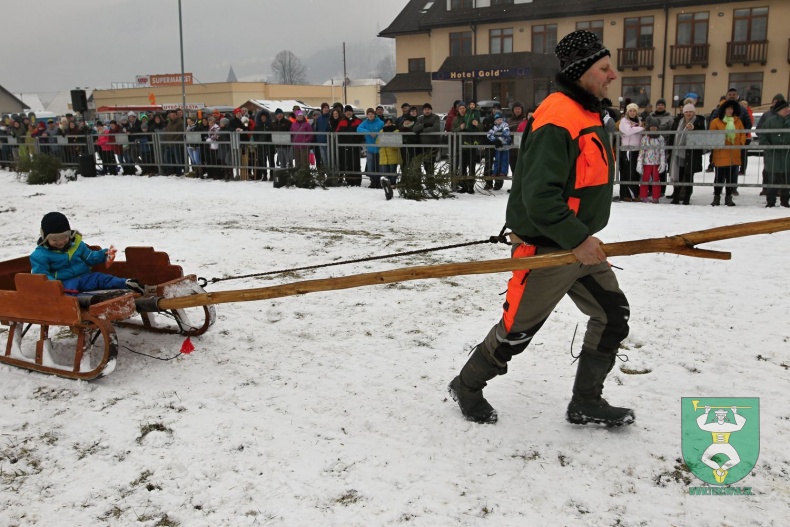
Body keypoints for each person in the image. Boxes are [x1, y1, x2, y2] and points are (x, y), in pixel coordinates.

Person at [448, 30, 633, 427]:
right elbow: (539, 198)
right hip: (549, 248)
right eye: (605, 68)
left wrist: (581, 240)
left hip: (578, 245)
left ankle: (586, 402)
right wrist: (578, 239)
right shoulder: (558, 117)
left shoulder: (586, 112)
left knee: (612, 315)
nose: (613, 75)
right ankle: (466, 385)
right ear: (582, 71)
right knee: (516, 333)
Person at [30, 212, 145, 296]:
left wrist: (103, 254)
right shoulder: (40, 255)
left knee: (100, 278)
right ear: (45, 238)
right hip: (64, 283)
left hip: (84, 277)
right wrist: (56, 285)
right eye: (54, 240)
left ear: (69, 234)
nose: (60, 242)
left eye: (64, 237)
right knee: (69, 292)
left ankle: (126, 283)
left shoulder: (77, 245)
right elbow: (42, 275)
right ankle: (86, 301)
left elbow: (89, 257)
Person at [708, 99, 746, 206]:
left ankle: (728, 198)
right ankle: (716, 197)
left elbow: (743, 134)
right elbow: (712, 136)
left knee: (730, 178)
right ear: (723, 110)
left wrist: (741, 143)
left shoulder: (738, 121)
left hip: (733, 154)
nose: (730, 111)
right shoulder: (715, 122)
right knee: (719, 178)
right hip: (720, 154)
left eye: (731, 109)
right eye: (728, 109)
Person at [668, 103, 706, 205]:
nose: (688, 114)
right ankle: (676, 197)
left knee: (689, 176)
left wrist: (693, 128)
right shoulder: (678, 122)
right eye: (686, 112)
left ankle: (686, 198)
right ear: (683, 112)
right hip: (678, 153)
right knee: (678, 176)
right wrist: (670, 150)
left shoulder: (699, 121)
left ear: (694, 112)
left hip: (692, 154)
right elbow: (673, 136)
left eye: (691, 112)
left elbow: (702, 135)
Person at [759, 99, 790, 208]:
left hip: (787, 156)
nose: (787, 109)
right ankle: (771, 201)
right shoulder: (770, 122)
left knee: (787, 180)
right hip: (773, 156)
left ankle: (785, 201)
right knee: (772, 180)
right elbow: (763, 136)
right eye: (785, 108)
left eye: (788, 107)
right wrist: (769, 146)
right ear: (778, 110)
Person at [636, 116, 666, 203]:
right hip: (647, 163)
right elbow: (642, 151)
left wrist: (662, 162)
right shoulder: (645, 138)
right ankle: (643, 196)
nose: (653, 128)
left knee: (656, 180)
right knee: (645, 179)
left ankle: (656, 197)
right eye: (652, 126)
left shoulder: (661, 138)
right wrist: (639, 162)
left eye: (655, 126)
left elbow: (662, 151)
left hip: (656, 163)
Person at [452, 101, 480, 194]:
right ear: (458, 109)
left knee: (471, 167)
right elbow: (453, 131)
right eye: (460, 108)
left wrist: (477, 124)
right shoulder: (456, 119)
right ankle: (464, 186)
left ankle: (471, 186)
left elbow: (481, 128)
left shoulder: (471, 116)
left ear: (466, 108)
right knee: (462, 167)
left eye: (463, 108)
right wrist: (460, 128)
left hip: (471, 146)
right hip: (461, 147)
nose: (462, 110)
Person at [618, 103, 644, 201]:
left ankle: (634, 193)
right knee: (628, 172)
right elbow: (628, 131)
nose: (632, 113)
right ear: (627, 112)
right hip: (627, 150)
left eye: (634, 111)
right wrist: (641, 128)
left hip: (636, 149)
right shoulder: (624, 121)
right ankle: (627, 194)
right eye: (630, 111)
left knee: (634, 172)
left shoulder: (639, 121)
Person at [650, 98, 674, 197]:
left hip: (664, 145)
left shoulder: (669, 118)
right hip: (651, 146)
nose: (660, 106)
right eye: (658, 105)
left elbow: (671, 131)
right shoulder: (651, 116)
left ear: (664, 106)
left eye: (662, 105)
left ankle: (662, 189)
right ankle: (651, 188)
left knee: (662, 167)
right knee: (651, 167)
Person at [335, 105, 363, 185]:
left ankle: (357, 181)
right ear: (344, 113)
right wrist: (341, 141)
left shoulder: (358, 121)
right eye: (347, 111)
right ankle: (349, 180)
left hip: (355, 146)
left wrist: (357, 140)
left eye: (350, 111)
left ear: (352, 112)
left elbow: (361, 133)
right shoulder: (342, 122)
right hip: (345, 146)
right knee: (347, 163)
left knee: (356, 163)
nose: (348, 113)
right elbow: (337, 132)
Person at [357, 108, 385, 188]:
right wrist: (369, 132)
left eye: (372, 114)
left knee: (378, 166)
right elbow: (358, 129)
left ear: (374, 114)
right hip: (370, 148)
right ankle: (372, 181)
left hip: (379, 148)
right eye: (368, 114)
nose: (370, 115)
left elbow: (384, 131)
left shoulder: (380, 123)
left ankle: (378, 181)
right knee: (370, 166)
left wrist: (377, 134)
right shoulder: (365, 123)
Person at [412, 102, 441, 176]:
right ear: (423, 111)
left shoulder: (435, 117)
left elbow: (436, 128)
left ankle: (431, 180)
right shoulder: (420, 118)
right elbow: (414, 129)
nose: (427, 111)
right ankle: (428, 179)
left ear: (431, 110)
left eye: (428, 109)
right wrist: (424, 125)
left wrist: (422, 130)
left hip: (433, 145)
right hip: (423, 146)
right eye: (425, 109)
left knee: (430, 164)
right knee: (425, 164)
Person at [485, 112, 511, 190]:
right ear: (495, 121)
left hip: (505, 146)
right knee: (497, 160)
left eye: (500, 119)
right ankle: (495, 172)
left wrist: (500, 138)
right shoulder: (494, 127)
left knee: (504, 160)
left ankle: (503, 172)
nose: (499, 121)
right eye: (497, 120)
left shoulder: (505, 125)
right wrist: (495, 140)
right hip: (498, 147)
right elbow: (489, 134)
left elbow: (506, 133)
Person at [378, 117, 401, 186]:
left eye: (389, 123)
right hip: (383, 154)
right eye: (386, 123)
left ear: (392, 123)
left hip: (392, 155)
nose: (388, 124)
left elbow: (397, 144)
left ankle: (393, 183)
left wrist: (388, 141)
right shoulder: (381, 131)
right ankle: (387, 184)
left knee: (392, 171)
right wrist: (382, 142)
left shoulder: (396, 131)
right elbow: (377, 142)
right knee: (385, 171)